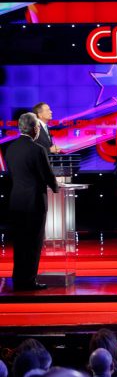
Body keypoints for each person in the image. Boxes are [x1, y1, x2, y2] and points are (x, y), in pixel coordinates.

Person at [5, 113, 59, 291]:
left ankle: (18, 279)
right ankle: (28, 281)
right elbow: (47, 175)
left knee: (20, 242)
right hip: (34, 202)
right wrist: (56, 186)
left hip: (16, 201)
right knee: (33, 243)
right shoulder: (38, 149)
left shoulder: (10, 148)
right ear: (35, 129)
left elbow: (12, 175)